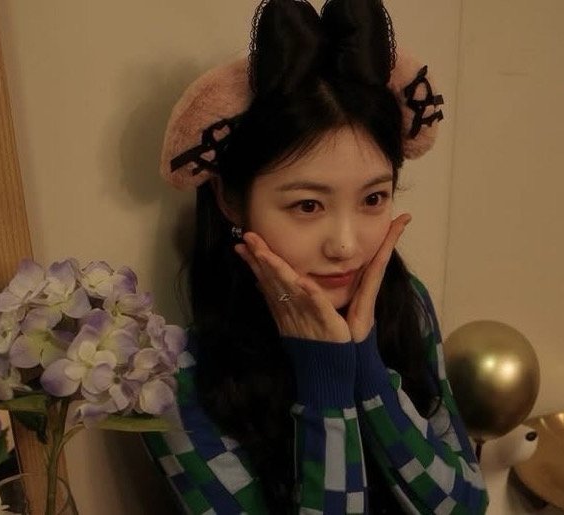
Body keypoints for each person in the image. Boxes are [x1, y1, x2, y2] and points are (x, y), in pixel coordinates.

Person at [145, 0, 488, 513]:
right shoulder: (173, 380)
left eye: (373, 198)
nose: (346, 246)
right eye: (308, 205)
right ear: (231, 200)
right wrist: (325, 378)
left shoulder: (404, 301)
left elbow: (467, 504)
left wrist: (368, 370)